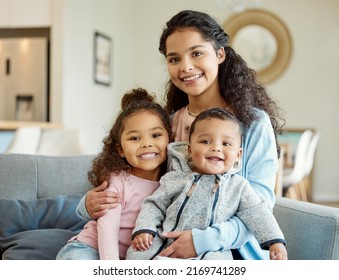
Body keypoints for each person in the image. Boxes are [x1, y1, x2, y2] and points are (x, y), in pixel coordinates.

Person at [76, 10, 285, 260]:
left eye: (197, 53)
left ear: (220, 54)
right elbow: (135, 186)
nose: (185, 67)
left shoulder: (253, 123)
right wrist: (86, 206)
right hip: (158, 247)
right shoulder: (167, 125)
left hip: (227, 252)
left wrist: (202, 241)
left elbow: (260, 208)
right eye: (174, 59)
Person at [126, 108, 287, 260]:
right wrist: (144, 229)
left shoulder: (239, 187)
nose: (216, 148)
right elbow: (154, 204)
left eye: (226, 144)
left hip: (210, 250)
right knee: (137, 253)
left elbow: (258, 213)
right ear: (189, 150)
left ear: (238, 155)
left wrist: (275, 241)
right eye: (205, 141)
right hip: (166, 242)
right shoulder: (175, 178)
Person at [56, 88, 173, 259]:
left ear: (169, 138)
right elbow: (107, 233)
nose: (147, 144)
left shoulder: (172, 181)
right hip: (89, 249)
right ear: (120, 150)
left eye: (156, 135)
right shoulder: (117, 181)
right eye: (134, 138)